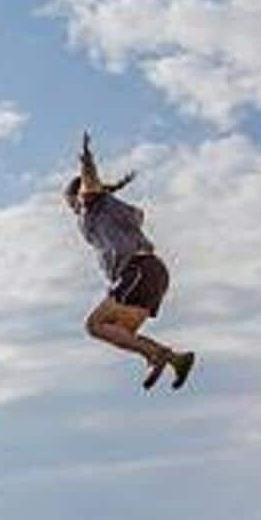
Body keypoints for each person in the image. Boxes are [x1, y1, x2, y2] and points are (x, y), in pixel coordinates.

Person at [66, 132, 196, 390]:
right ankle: (174, 359)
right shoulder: (112, 208)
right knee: (122, 333)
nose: (70, 208)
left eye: (70, 201)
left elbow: (89, 183)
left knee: (95, 325)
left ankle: (155, 355)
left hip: (137, 270)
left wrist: (87, 162)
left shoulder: (91, 204)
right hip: (155, 274)